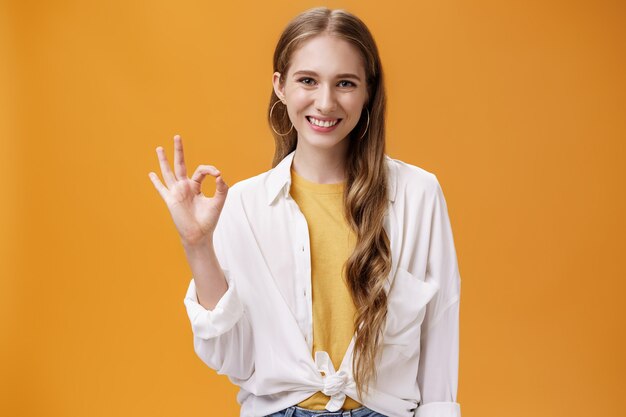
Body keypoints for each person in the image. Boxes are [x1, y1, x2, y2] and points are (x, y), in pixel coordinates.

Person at [148, 7, 462, 417]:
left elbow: (439, 340)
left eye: (345, 83)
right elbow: (232, 360)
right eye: (308, 80)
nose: (326, 102)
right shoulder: (243, 205)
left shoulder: (419, 195)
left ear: (369, 90)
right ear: (280, 86)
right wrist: (197, 245)